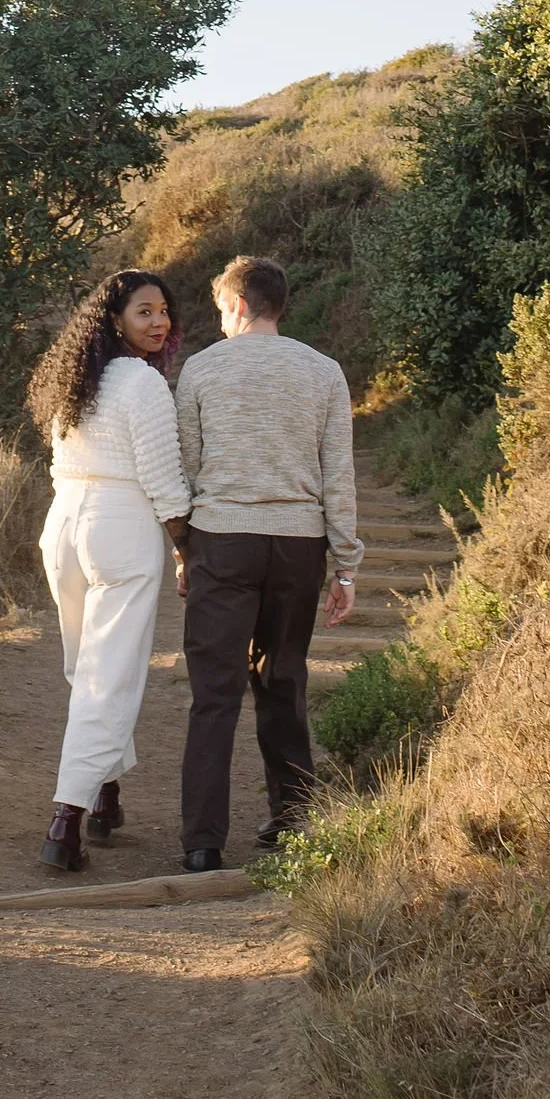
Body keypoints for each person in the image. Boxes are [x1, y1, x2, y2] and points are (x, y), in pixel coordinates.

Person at [172, 254, 360, 871]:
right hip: (298, 546)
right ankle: (293, 820)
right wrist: (347, 568)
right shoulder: (325, 372)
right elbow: (338, 476)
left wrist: (186, 550)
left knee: (214, 694)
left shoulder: (200, 371)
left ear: (239, 306)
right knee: (284, 682)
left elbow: (189, 471)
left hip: (222, 539)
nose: (222, 322)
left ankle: (203, 842)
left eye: (223, 311)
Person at [25, 267, 191, 875]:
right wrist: (186, 544)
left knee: (85, 667)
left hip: (64, 522)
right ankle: (65, 819)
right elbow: (163, 477)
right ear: (115, 319)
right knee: (107, 676)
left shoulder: (76, 380)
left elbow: (58, 460)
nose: (159, 322)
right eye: (144, 312)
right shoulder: (142, 385)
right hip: (119, 525)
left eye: (164, 311)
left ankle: (104, 793)